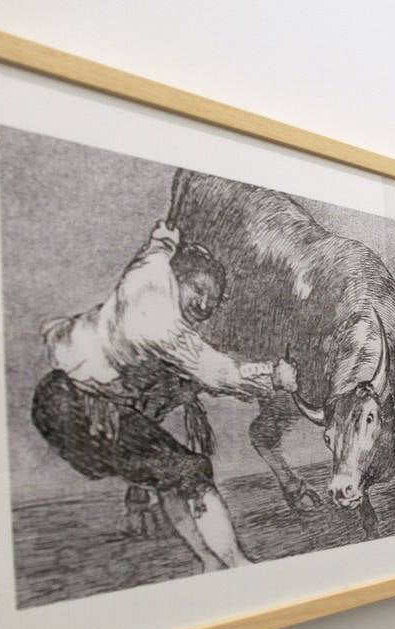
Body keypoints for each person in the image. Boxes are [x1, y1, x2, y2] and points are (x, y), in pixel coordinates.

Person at [32, 219, 297, 571]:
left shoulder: (150, 273)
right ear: (180, 278)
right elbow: (215, 371)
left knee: (173, 476)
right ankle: (238, 566)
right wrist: (273, 375)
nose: (204, 304)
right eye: (199, 290)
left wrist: (164, 240)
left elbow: (154, 254)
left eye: (212, 301)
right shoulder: (160, 322)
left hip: (65, 398)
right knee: (191, 473)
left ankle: (210, 563)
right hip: (76, 412)